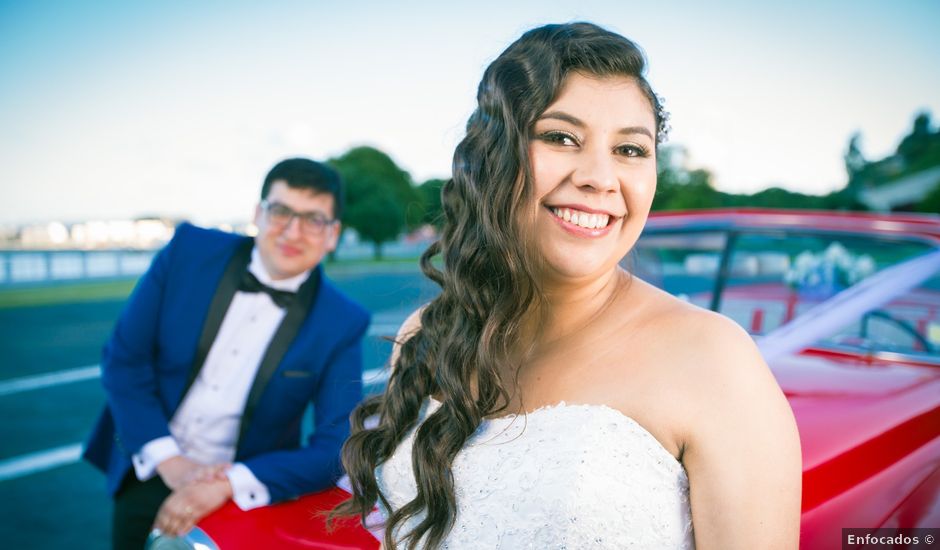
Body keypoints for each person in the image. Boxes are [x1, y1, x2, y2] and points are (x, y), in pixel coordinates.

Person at [334, 22, 802, 549]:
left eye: (630, 150)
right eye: (561, 137)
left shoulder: (714, 359)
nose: (600, 177)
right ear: (492, 156)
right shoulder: (427, 332)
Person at [82, 158, 370, 549]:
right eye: (281, 211)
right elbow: (125, 360)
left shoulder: (343, 320)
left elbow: (336, 446)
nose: (293, 231)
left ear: (333, 234)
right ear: (258, 214)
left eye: (313, 219)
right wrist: (171, 462)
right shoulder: (188, 251)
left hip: (245, 492)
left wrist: (226, 483)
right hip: (149, 462)